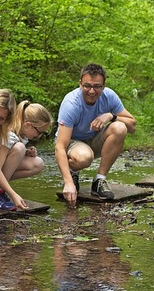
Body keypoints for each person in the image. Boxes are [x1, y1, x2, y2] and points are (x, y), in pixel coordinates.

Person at [55, 63, 136, 207]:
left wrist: (111, 116)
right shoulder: (71, 104)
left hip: (95, 138)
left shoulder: (109, 96)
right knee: (85, 158)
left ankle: (99, 181)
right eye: (87, 86)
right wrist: (67, 182)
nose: (91, 91)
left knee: (120, 128)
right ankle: (72, 172)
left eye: (97, 86)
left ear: (104, 86)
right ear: (80, 84)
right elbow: (60, 146)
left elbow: (132, 126)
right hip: (73, 142)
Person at [0, 100, 53, 210]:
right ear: (27, 125)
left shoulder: (22, 134)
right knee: (20, 148)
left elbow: (8, 154)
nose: (39, 136)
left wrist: (27, 152)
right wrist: (13, 194)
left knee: (38, 163)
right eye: (39, 132)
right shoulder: (10, 135)